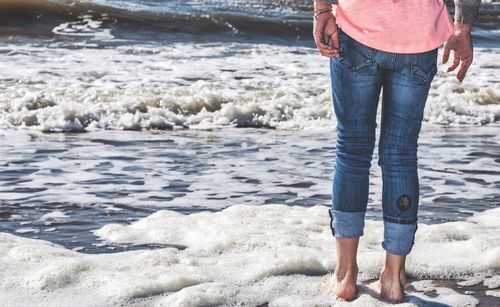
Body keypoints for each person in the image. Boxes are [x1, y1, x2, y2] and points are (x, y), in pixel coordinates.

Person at [313, 0, 481, 303]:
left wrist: (323, 10)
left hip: (358, 28)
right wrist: (463, 26)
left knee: (352, 149)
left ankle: (346, 275)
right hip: (419, 36)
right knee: (401, 155)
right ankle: (392, 279)